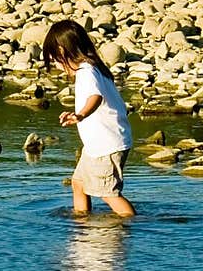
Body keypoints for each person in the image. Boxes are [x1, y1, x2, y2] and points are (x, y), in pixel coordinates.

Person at [42, 19, 136, 217]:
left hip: (106, 145)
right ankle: (82, 224)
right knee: (79, 183)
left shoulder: (86, 72)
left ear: (62, 51)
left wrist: (80, 115)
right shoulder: (95, 67)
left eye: (55, 60)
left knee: (108, 193)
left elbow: (96, 96)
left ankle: (131, 224)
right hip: (99, 144)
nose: (57, 66)